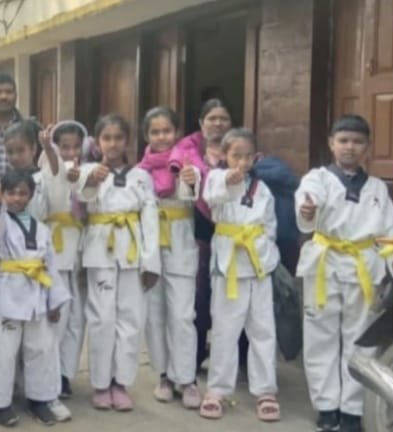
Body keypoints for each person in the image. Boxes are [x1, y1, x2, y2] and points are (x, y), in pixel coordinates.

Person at [295, 115, 393, 432]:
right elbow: (307, 206)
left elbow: (390, 233)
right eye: (343, 141)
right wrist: (308, 210)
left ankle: (352, 410)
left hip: (364, 266)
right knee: (320, 336)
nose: (349, 147)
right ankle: (326, 406)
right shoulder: (317, 179)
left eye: (357, 141)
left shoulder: (377, 188)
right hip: (324, 264)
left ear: (367, 147)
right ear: (331, 144)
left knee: (360, 340)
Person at [0, 120, 72, 421]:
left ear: (33, 149)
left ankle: (41, 398)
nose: (17, 198)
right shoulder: (0, 197)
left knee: (40, 347)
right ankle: (1, 402)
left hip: (37, 289)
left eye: (21, 150)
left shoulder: (41, 223)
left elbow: (50, 263)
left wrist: (54, 299)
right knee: (4, 349)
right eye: (10, 151)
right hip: (9, 287)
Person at [75, 114, 160, 411]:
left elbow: (150, 220)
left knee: (130, 318)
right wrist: (90, 181)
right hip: (100, 249)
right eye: (107, 138)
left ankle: (121, 382)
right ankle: (100, 383)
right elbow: (81, 198)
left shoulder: (141, 176)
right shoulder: (89, 170)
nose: (113, 144)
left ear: (128, 141)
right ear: (97, 143)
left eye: (118, 138)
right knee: (101, 318)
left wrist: (151, 263)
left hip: (133, 252)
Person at [198, 128, 280, 422]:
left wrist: (263, 251)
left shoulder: (263, 189)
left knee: (262, 329)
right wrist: (228, 183)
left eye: (248, 157)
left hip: (258, 265)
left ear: (256, 157)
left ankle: (265, 390)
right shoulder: (215, 178)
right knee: (225, 329)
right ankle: (217, 390)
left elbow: (270, 226)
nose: (242, 162)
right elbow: (211, 200)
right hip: (228, 264)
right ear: (224, 155)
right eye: (236, 156)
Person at [136, 107, 203, 408]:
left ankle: (187, 378)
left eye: (166, 131)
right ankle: (164, 375)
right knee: (155, 315)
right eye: (155, 132)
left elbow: (195, 194)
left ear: (176, 132)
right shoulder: (140, 172)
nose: (161, 137)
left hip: (180, 244)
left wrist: (190, 177)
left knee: (183, 315)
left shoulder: (187, 161)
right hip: (150, 246)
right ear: (146, 136)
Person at [180, 98, 232, 372]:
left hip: (234, 233)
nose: (218, 123)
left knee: (232, 297)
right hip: (199, 230)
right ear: (201, 123)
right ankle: (196, 354)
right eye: (212, 118)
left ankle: (234, 357)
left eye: (223, 118)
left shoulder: (238, 149)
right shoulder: (188, 149)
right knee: (200, 295)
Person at [47, 121, 89, 401]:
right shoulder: (46, 173)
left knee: (77, 318)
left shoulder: (89, 173)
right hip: (56, 247)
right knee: (57, 317)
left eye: (76, 147)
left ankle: (65, 373)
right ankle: (48, 370)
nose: (71, 153)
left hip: (80, 250)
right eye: (65, 147)